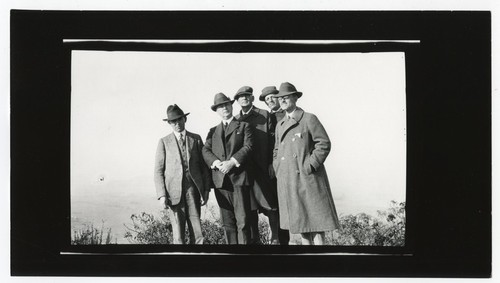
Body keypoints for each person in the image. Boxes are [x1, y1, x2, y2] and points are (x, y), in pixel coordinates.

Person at [272, 82, 340, 245]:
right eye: (281, 98)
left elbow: (323, 143)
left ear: (295, 98)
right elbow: (276, 150)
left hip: (308, 180)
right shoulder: (280, 124)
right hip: (289, 180)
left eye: (287, 97)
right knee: (301, 225)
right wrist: (278, 168)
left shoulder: (309, 118)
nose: (283, 100)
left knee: (316, 225)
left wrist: (309, 165)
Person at [234, 86, 286, 245]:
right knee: (250, 208)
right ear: (237, 101)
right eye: (241, 96)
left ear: (252, 98)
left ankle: (276, 239)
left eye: (247, 96)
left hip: (263, 168)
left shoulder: (264, 115)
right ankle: (255, 241)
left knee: (271, 205)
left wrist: (271, 162)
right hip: (244, 171)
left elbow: (273, 140)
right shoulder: (235, 120)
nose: (244, 98)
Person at [154, 104, 211, 244]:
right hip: (173, 194)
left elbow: (204, 167)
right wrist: (162, 195)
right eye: (173, 121)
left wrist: (206, 190)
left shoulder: (196, 139)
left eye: (179, 119)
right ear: (169, 123)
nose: (177, 123)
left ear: (185, 119)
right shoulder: (164, 142)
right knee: (178, 236)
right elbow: (158, 170)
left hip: (193, 190)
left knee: (197, 233)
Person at [202, 93, 254, 244]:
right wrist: (217, 163)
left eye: (226, 105)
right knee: (228, 224)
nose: (224, 108)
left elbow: (249, 146)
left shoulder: (244, 126)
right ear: (216, 111)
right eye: (220, 106)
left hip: (239, 180)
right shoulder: (213, 131)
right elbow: (206, 150)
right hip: (221, 183)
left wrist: (232, 161)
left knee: (243, 222)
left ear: (232, 106)